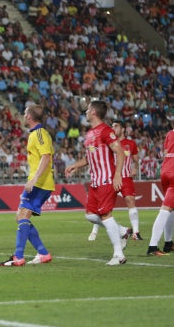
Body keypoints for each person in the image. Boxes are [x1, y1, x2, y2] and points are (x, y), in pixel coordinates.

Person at [65, 101, 131, 266]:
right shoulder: (90, 134)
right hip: (95, 182)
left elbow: (120, 153)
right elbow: (90, 158)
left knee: (105, 215)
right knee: (90, 215)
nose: (86, 112)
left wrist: (117, 176)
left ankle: (119, 255)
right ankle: (122, 231)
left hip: (107, 179)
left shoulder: (106, 131)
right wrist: (75, 165)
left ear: (93, 112)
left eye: (87, 110)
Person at [0, 105, 54, 266]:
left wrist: (35, 178)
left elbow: (46, 156)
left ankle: (18, 256)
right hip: (36, 182)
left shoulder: (40, 133)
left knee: (22, 217)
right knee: (20, 218)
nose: (23, 116)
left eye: (24, 113)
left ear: (29, 116)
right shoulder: (35, 134)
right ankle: (43, 253)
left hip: (40, 183)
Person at [88, 120, 141, 241]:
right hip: (110, 177)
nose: (113, 128)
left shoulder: (131, 143)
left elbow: (136, 159)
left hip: (126, 177)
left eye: (116, 126)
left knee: (130, 200)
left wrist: (135, 168)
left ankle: (136, 232)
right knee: (103, 206)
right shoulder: (108, 141)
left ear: (123, 129)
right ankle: (94, 231)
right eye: (112, 126)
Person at [146, 128, 174, 256]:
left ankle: (168, 244)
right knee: (166, 209)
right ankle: (152, 247)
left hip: (165, 170)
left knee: (171, 209)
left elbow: (165, 152)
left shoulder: (170, 133)